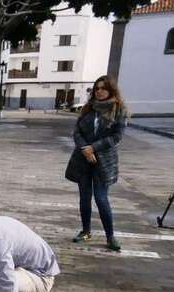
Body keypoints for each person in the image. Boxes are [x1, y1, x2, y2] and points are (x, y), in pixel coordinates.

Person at [65, 75, 127, 252]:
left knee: (101, 198)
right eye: (97, 88)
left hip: (104, 161)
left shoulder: (118, 110)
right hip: (83, 159)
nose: (99, 91)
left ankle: (110, 236)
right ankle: (86, 231)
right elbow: (77, 132)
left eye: (103, 88)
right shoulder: (88, 108)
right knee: (85, 197)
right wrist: (85, 149)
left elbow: (116, 136)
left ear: (111, 90)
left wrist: (93, 148)